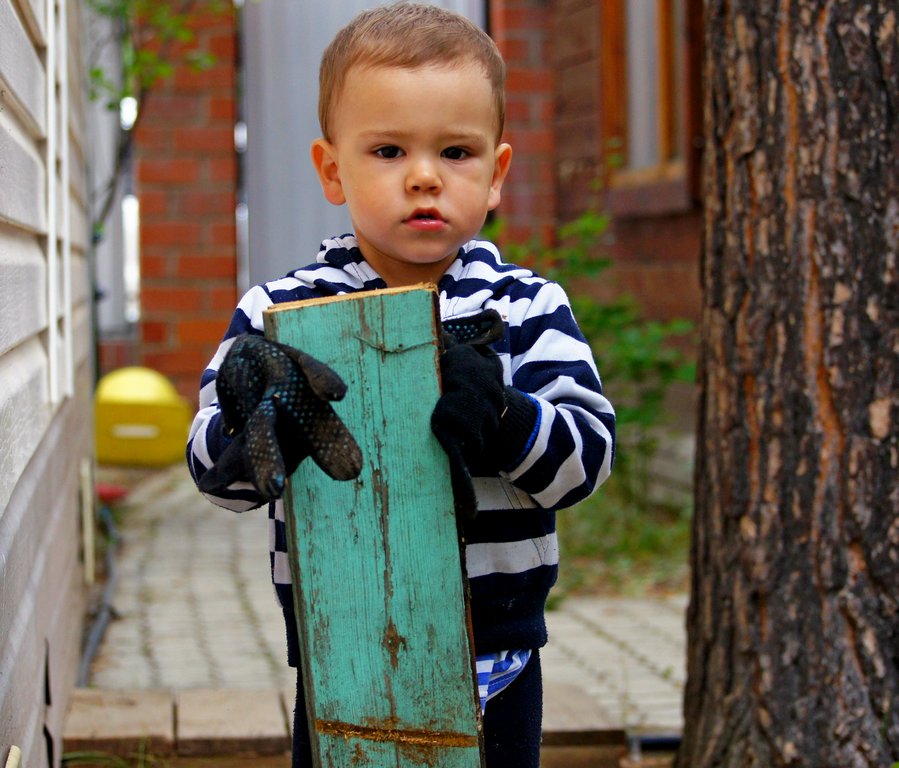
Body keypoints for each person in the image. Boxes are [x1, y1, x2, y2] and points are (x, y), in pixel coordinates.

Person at [186, 4, 615, 766]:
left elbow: (586, 462)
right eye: (387, 150)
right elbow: (217, 481)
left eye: (455, 151)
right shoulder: (280, 316)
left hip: (498, 648)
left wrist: (509, 419)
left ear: (495, 174)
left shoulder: (524, 308)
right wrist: (257, 419)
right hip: (340, 643)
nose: (423, 176)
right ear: (331, 169)